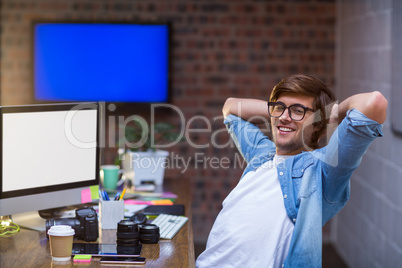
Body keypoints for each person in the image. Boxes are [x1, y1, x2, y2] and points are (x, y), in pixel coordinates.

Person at [195, 74, 388, 268]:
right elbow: (230, 108)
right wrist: (282, 112)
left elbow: (375, 103)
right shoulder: (261, 153)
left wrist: (331, 113)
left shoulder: (322, 169)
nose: (285, 117)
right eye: (279, 108)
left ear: (319, 122)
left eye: (298, 111)